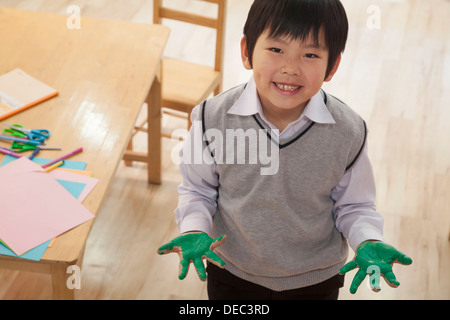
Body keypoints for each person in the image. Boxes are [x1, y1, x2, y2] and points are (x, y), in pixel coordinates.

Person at [158, 0, 412, 300]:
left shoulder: (348, 131)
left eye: (310, 54)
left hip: (315, 279)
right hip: (231, 271)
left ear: (332, 66)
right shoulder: (211, 118)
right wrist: (193, 229)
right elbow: (198, 190)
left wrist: (367, 239)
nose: (291, 68)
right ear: (246, 51)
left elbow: (354, 206)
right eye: (276, 50)